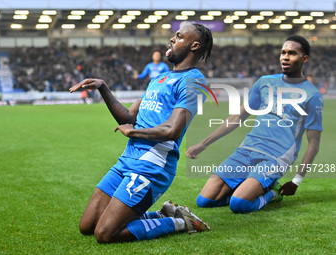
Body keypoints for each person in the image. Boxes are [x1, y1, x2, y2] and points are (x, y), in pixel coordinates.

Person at [69, 22, 213, 243]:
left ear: (194, 46)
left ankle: (181, 222)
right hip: (127, 159)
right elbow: (128, 118)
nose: (172, 39)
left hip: (152, 165)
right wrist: (103, 88)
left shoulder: (193, 81)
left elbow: (173, 130)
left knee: (105, 233)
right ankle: (162, 214)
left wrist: (134, 133)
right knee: (87, 226)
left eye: (179, 36)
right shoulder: (159, 79)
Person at [186, 35, 323, 213]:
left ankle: (272, 192)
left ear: (304, 59)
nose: (285, 57)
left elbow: (314, 143)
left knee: (239, 205)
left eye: (292, 53)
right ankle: (247, 188)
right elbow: (237, 118)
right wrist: (202, 144)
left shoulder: (312, 95)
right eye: (283, 53)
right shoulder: (265, 82)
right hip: (247, 149)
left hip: (276, 157)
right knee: (205, 200)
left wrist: (296, 181)